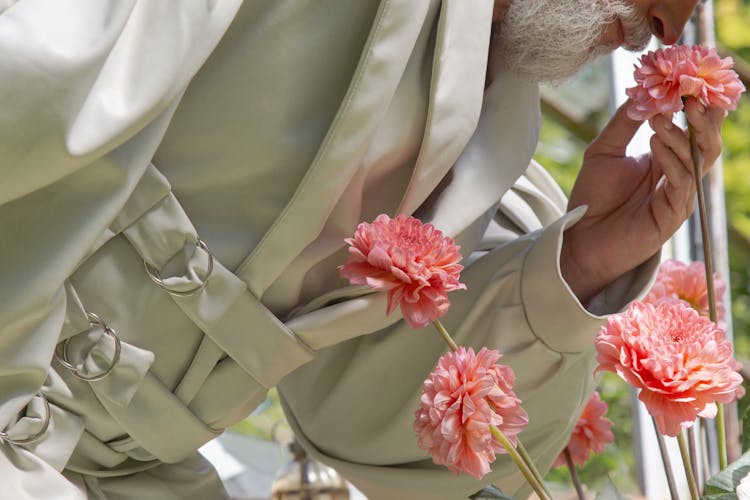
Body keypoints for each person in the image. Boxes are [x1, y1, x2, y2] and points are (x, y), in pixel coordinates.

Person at [0, 0, 722, 498]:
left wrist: (581, 262)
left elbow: (348, 416)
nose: (666, 25)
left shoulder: (495, 129)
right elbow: (36, 80)